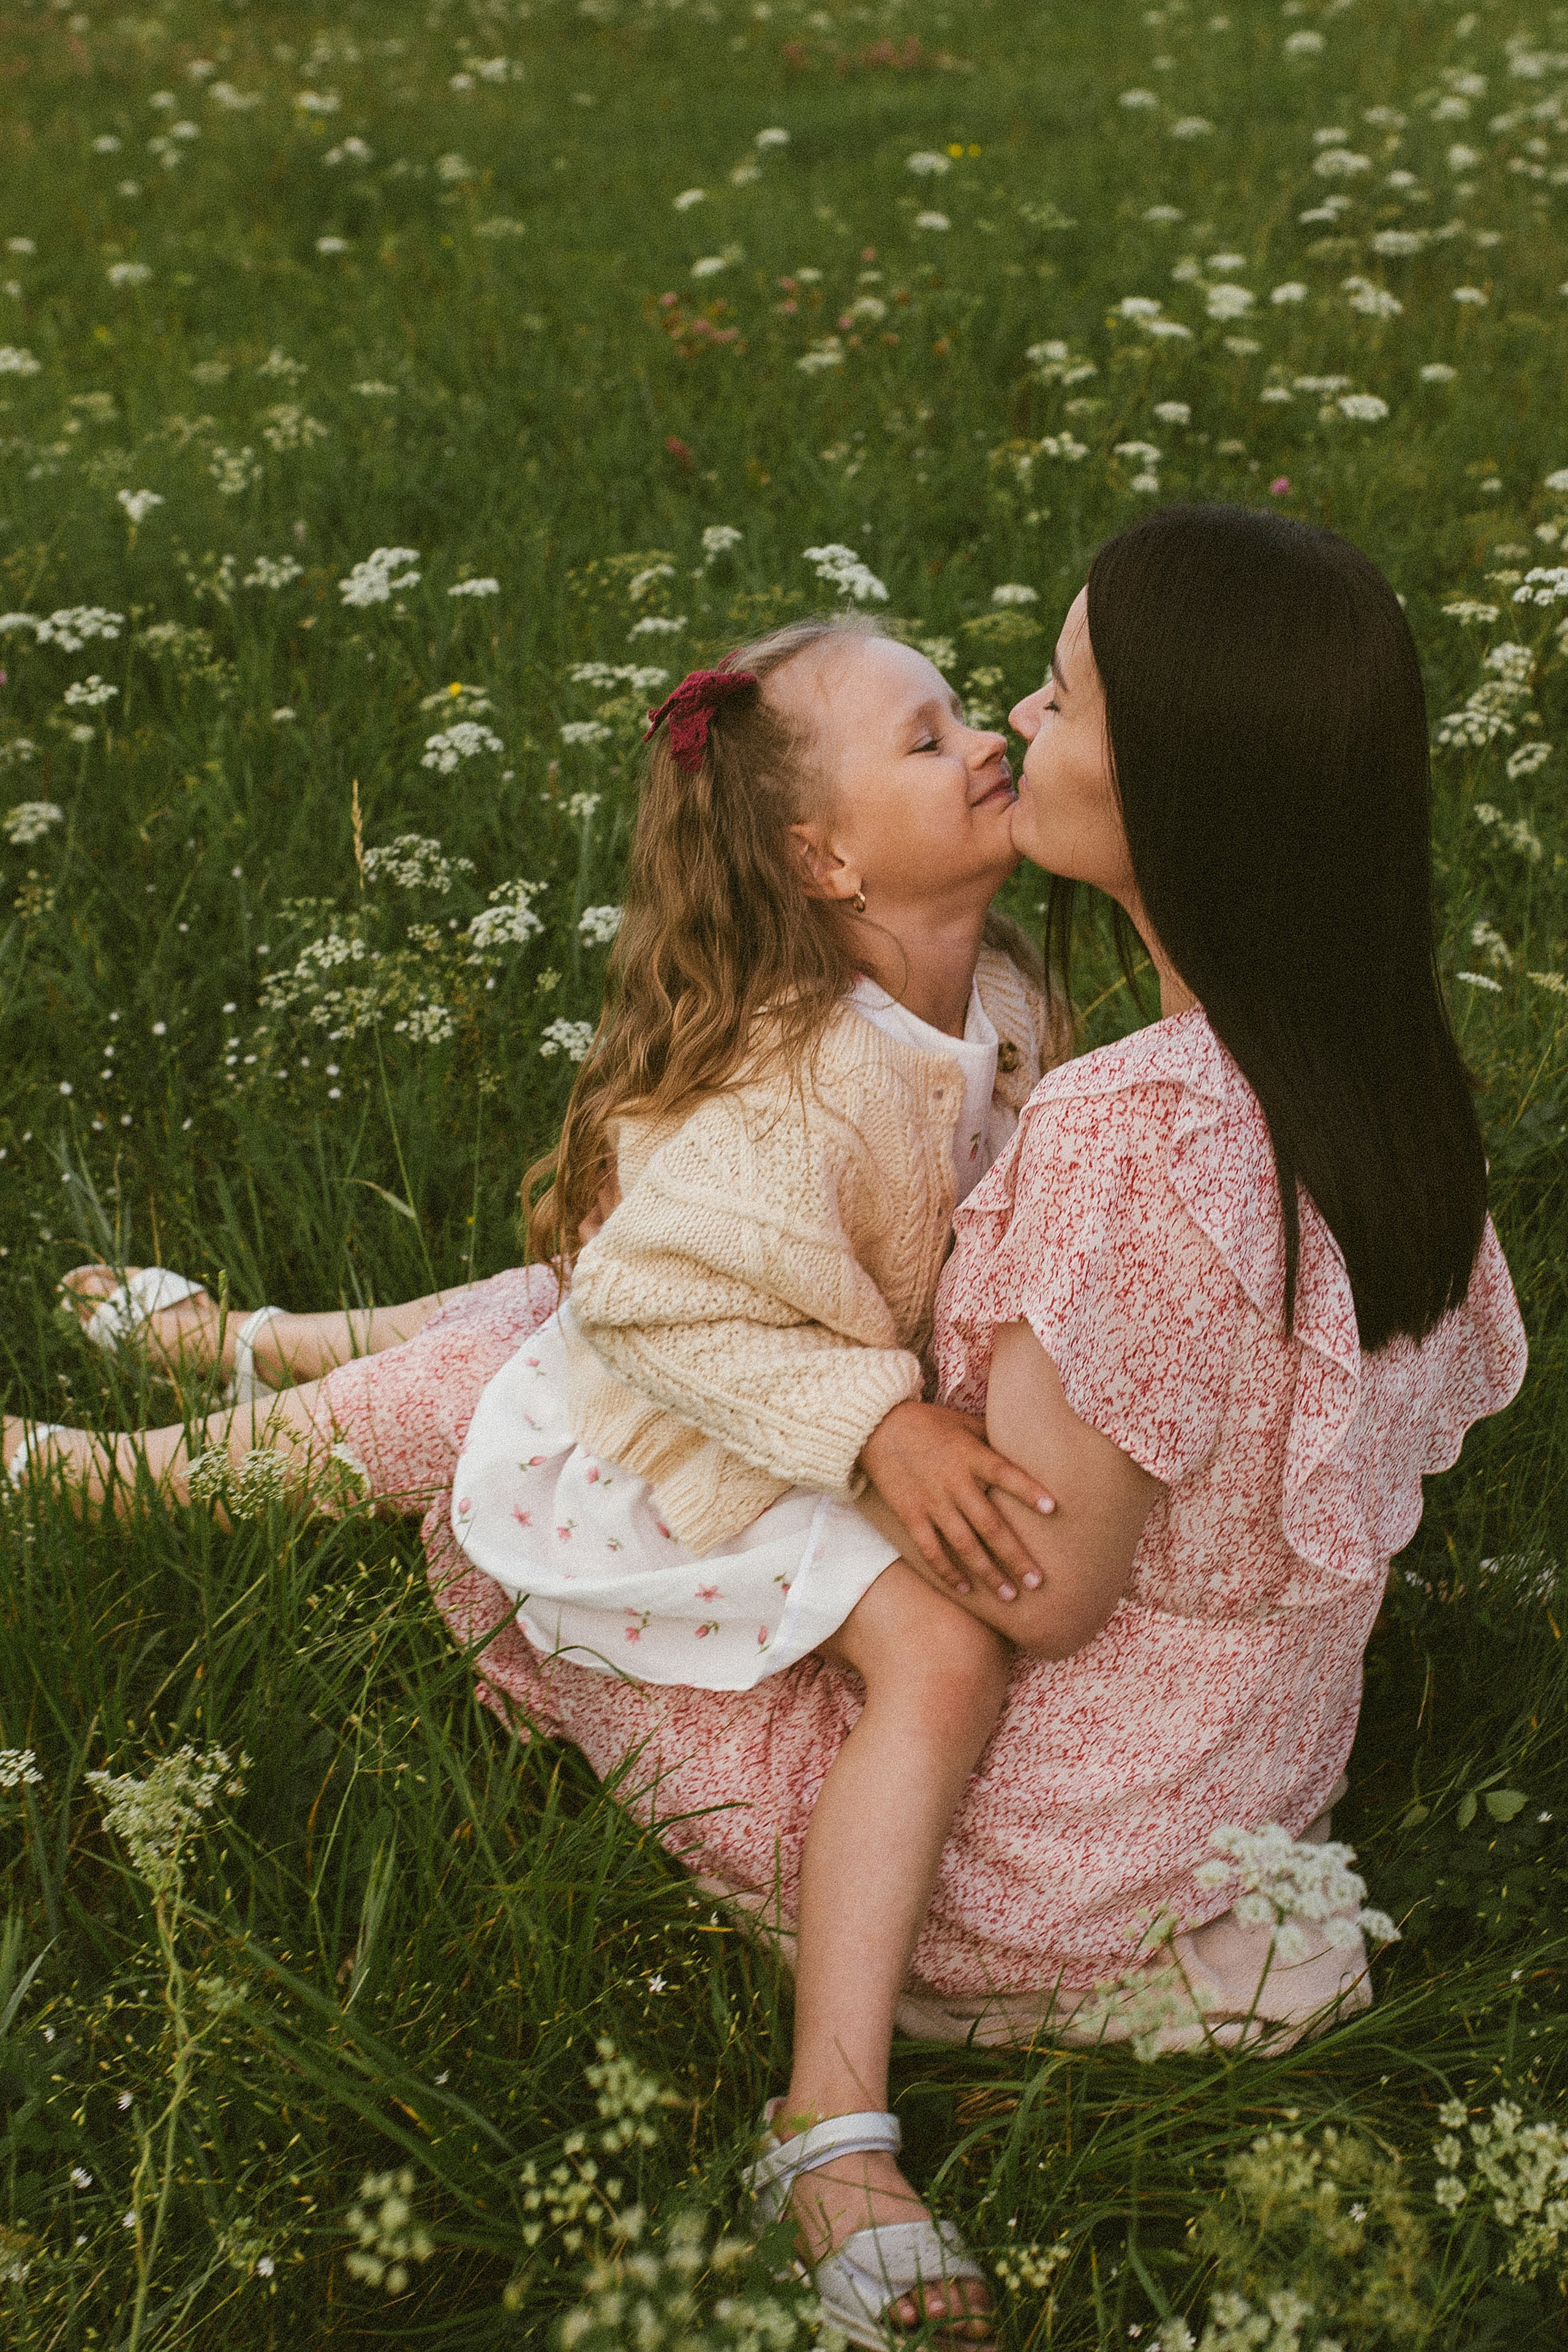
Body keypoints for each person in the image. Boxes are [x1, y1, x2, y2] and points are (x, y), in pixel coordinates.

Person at [18, 616, 1073, 2348]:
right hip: (693, 1415)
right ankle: (829, 2124)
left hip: (765, 1348)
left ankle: (254, 1328)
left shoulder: (1007, 995)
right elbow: (649, 1292)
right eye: (924, 734)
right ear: (821, 856)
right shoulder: (793, 1083)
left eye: (967, 714)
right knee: (493, 1401)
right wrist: (881, 1424)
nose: (977, 742)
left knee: (522, 1302)